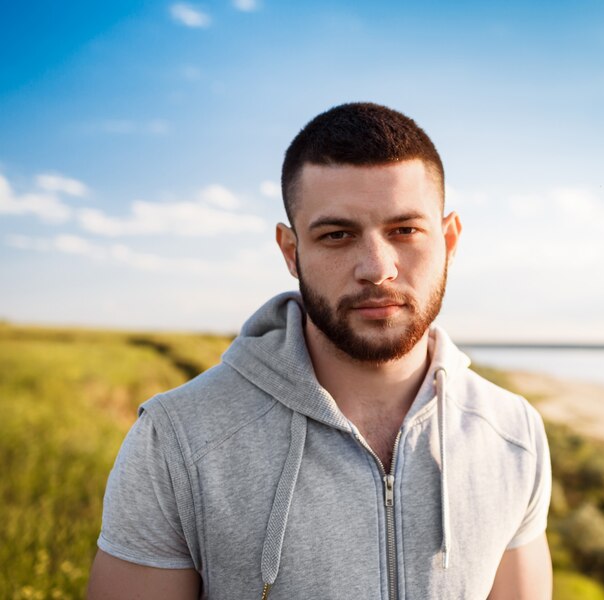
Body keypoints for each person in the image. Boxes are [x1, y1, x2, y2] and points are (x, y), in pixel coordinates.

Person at [86, 102, 553, 600]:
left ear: (450, 239)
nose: (377, 268)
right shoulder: (176, 440)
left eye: (405, 230)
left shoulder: (513, 433)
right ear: (291, 252)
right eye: (337, 235)